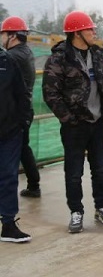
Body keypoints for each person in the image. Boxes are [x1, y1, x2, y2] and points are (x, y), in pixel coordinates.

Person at [42, 10, 103, 233]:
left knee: (100, 169)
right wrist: (69, 119)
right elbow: (50, 93)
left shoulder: (97, 55)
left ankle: (101, 206)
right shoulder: (59, 59)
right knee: (74, 172)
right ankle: (76, 211)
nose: (94, 32)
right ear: (77, 33)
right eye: (89, 29)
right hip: (75, 127)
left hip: (98, 123)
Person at [1, 16, 40, 198]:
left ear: (13, 35)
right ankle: (33, 184)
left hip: (13, 112)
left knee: (13, 149)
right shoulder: (25, 52)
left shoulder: (12, 57)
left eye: (3, 34)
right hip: (23, 110)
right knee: (23, 148)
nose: (1, 38)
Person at [0, 46, 32, 243]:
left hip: (9, 131)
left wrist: (23, 122)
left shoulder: (6, 60)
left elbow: (22, 92)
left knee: (9, 177)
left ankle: (8, 224)